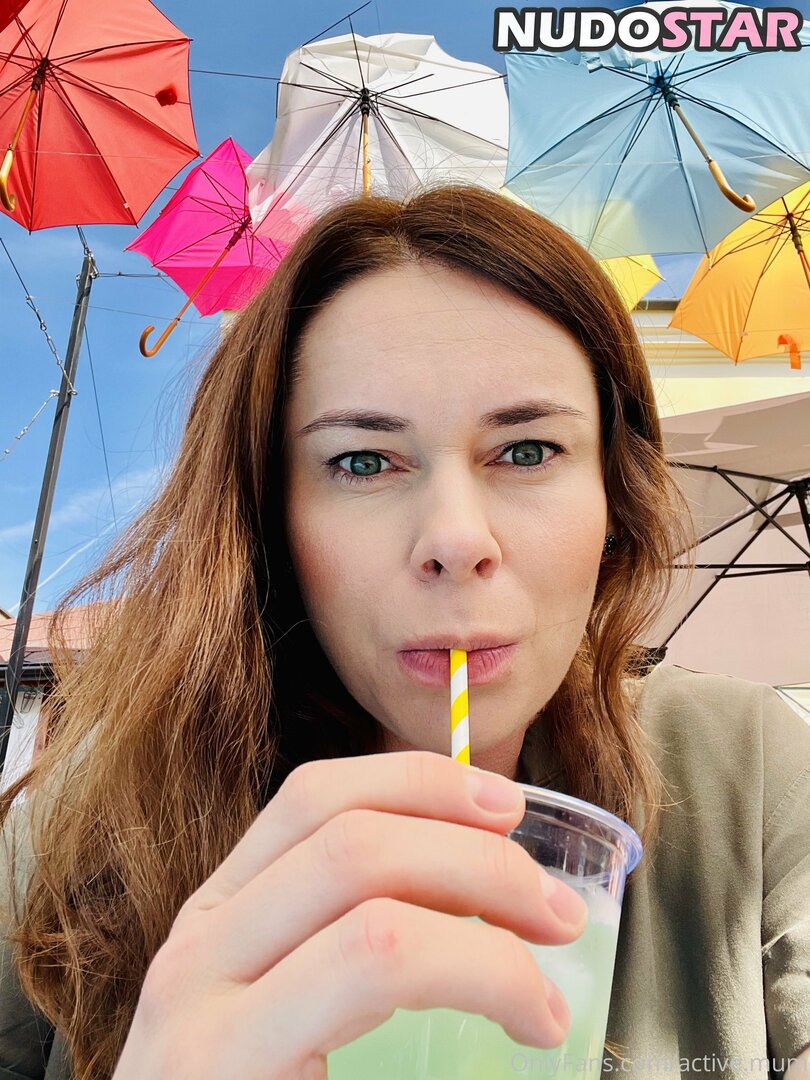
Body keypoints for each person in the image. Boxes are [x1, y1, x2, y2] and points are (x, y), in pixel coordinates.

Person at [1, 185, 809, 1080]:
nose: (456, 540)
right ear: (272, 518)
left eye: (528, 450)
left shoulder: (749, 775)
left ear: (614, 498)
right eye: (361, 461)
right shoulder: (85, 830)